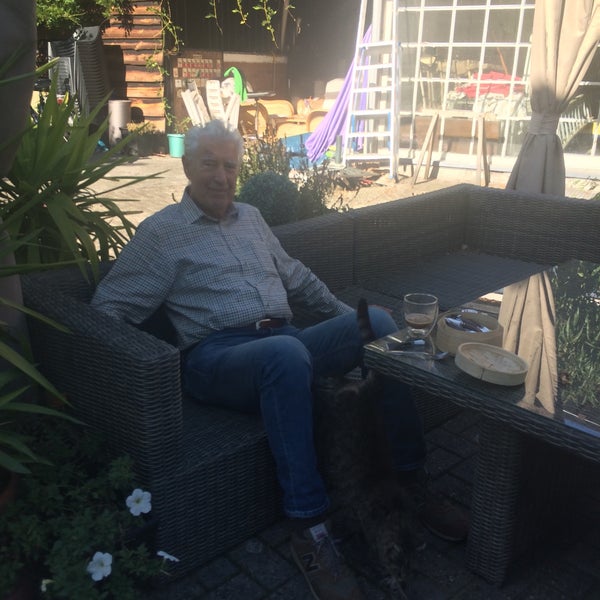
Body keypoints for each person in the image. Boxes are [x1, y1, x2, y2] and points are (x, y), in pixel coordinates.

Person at [91, 119, 467, 600]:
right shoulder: (161, 233)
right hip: (215, 357)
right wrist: (152, 364)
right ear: (186, 166)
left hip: (284, 341)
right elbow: (108, 308)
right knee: (286, 352)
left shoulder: (251, 217)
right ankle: (309, 527)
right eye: (209, 164)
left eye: (230, 166)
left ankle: (412, 481)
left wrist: (353, 322)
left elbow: (297, 278)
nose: (221, 177)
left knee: (379, 325)